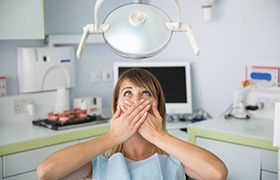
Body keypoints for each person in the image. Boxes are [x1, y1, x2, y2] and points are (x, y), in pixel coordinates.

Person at [37, 68, 228, 180]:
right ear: (116, 105)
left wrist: (157, 135)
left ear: (157, 106)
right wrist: (113, 137)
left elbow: (217, 173)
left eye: (146, 93)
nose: (136, 100)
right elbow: (46, 172)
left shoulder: (174, 161)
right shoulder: (99, 164)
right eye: (128, 93)